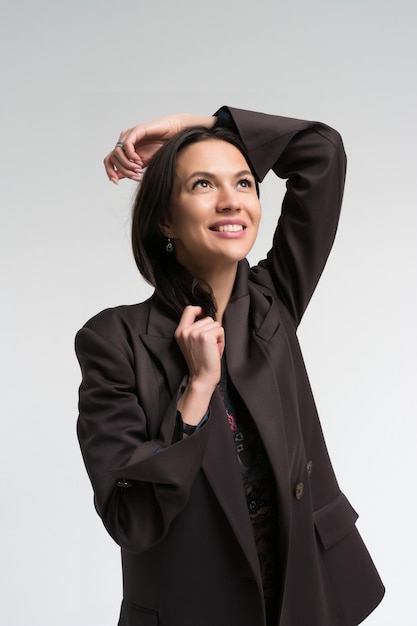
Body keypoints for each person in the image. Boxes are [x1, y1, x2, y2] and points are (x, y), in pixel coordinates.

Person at [76, 106, 384, 626]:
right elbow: (132, 518)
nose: (231, 201)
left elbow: (321, 152)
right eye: (202, 184)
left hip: (304, 598)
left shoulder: (273, 302)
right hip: (192, 609)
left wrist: (197, 129)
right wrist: (195, 392)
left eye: (243, 182)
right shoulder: (114, 340)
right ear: (165, 219)